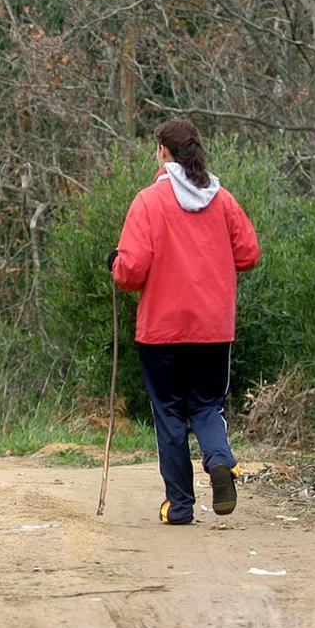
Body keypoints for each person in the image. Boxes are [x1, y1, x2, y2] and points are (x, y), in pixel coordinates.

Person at [109, 119, 260, 525]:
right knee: (208, 406)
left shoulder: (148, 201)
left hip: (161, 330)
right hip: (212, 328)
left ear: (162, 151)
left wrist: (115, 264)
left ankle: (179, 507)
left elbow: (131, 272)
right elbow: (248, 254)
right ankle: (219, 460)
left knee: (170, 416)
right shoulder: (222, 198)